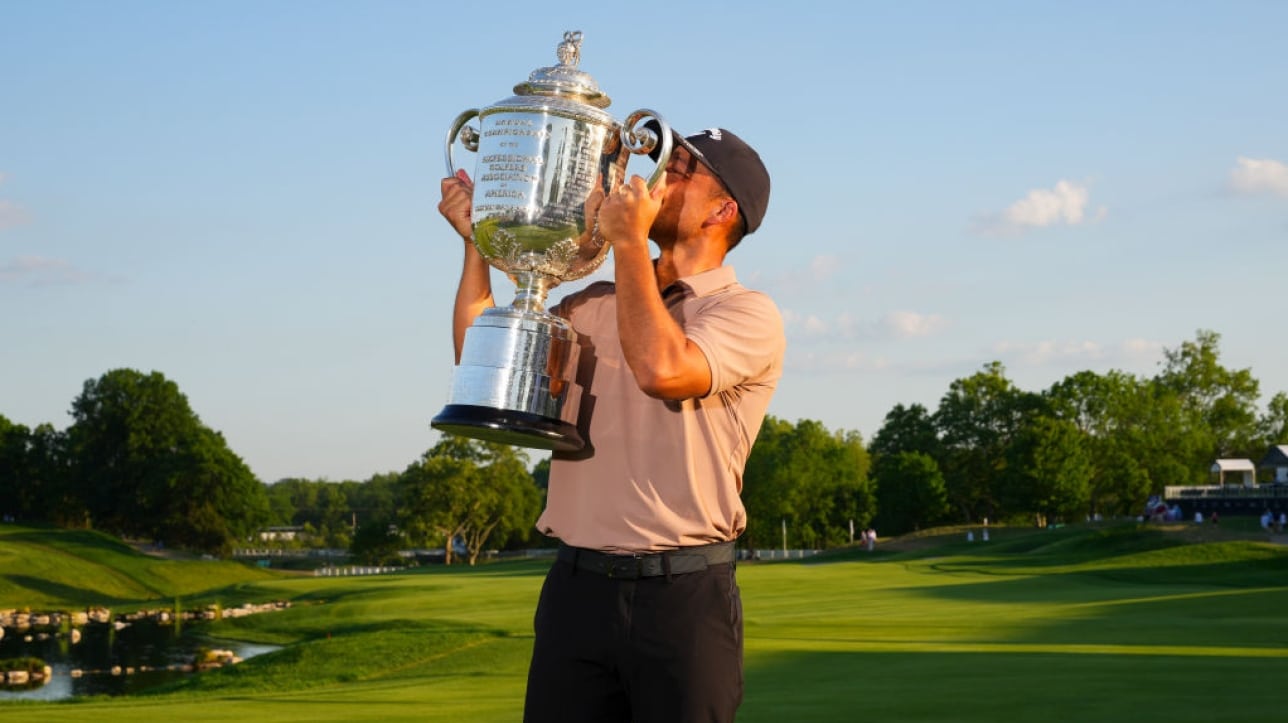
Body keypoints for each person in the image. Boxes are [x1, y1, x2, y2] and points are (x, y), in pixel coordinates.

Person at [438, 126, 783, 723]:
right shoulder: (591, 303)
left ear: (722, 211)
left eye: (677, 173)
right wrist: (478, 245)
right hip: (577, 590)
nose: (652, 180)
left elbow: (663, 370)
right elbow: (481, 360)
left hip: (684, 599)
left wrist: (628, 246)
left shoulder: (746, 313)